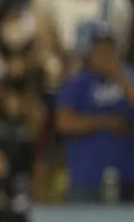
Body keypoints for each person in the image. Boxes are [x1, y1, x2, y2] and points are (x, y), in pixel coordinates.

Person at [56, 27, 134, 202]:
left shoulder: (129, 78)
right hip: (87, 181)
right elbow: (64, 122)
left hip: (129, 180)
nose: (104, 56)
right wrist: (106, 123)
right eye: (99, 51)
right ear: (90, 54)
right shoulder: (78, 83)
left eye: (109, 50)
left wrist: (119, 75)